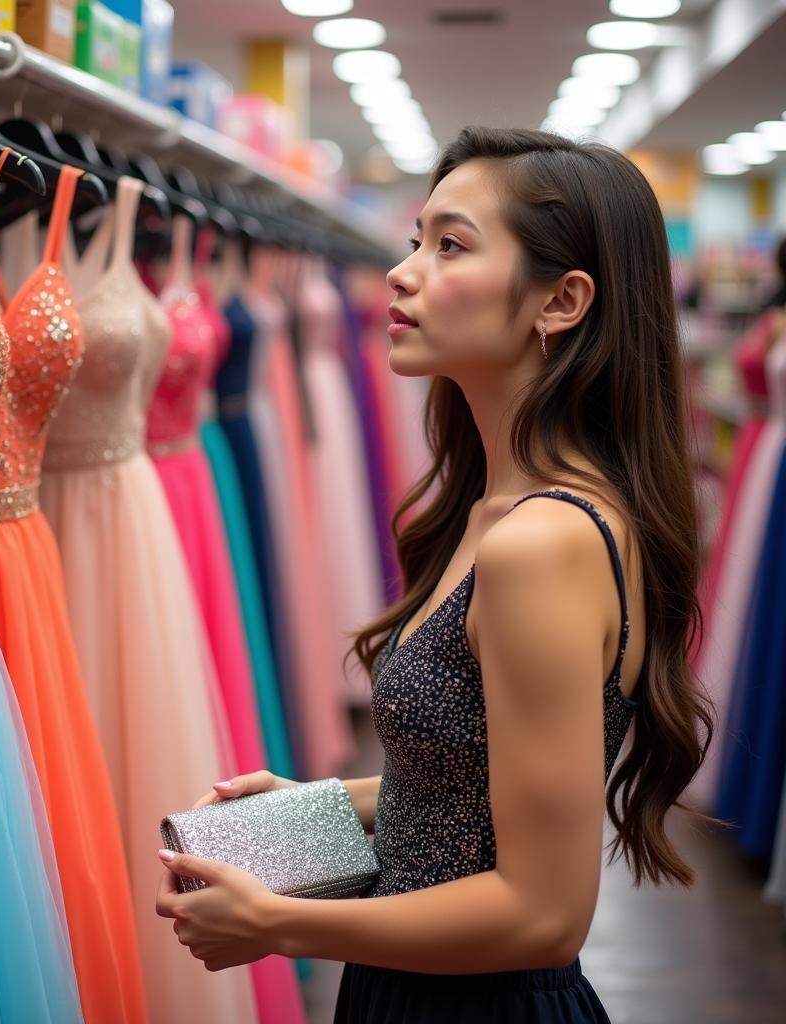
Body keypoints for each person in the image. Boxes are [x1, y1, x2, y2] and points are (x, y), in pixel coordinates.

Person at [155, 126, 714, 1022]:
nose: (402, 271)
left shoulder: (540, 542)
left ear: (561, 301)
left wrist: (280, 924)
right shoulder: (500, 511)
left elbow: (544, 915)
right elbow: (482, 783)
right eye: (418, 238)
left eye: (449, 245)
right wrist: (324, 806)